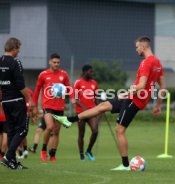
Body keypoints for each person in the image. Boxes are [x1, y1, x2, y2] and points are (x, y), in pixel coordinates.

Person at [53, 36, 166, 171]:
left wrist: (125, 93)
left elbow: (141, 86)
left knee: (119, 130)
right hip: (135, 99)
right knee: (103, 106)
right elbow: (163, 87)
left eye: (137, 47)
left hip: (134, 100)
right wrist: (158, 106)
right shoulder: (158, 63)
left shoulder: (146, 63)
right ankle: (69, 119)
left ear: (143, 46)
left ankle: (125, 165)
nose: (136, 50)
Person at [32, 53, 75, 162]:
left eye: (58, 62)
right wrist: (35, 106)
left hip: (59, 107)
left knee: (56, 132)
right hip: (48, 106)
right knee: (49, 127)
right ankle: (43, 151)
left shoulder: (64, 75)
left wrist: (73, 98)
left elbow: (69, 88)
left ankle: (52, 155)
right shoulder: (43, 74)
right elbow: (37, 91)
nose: (56, 64)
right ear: (50, 62)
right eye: (54, 62)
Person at [0, 37, 34, 169]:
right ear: (14, 48)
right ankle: (8, 157)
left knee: (12, 131)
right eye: (18, 48)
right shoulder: (15, 62)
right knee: (23, 130)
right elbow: (20, 85)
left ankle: (12, 162)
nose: (19, 51)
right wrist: (29, 99)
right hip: (17, 101)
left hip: (6, 102)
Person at [73, 64, 101, 161]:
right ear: (84, 72)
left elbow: (96, 98)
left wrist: (101, 107)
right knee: (81, 134)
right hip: (81, 112)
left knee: (95, 130)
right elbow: (75, 99)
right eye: (90, 71)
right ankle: (81, 154)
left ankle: (88, 150)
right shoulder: (78, 83)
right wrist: (83, 107)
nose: (92, 73)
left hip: (91, 111)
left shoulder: (94, 83)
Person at [17, 87, 33, 159]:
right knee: (23, 132)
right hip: (26, 114)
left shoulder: (15, 89)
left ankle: (20, 153)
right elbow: (32, 104)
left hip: (19, 114)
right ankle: (25, 150)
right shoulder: (29, 90)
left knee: (18, 133)